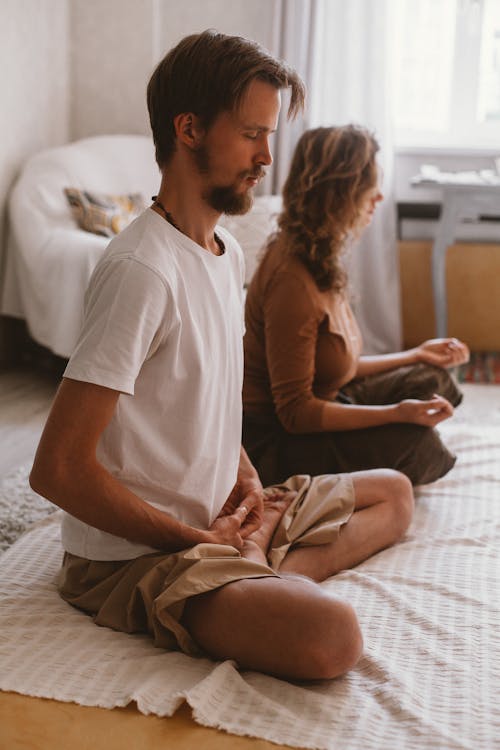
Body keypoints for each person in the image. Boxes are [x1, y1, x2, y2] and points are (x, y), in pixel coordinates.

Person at [30, 33, 414, 683]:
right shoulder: (140, 271)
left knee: (395, 495)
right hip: (143, 557)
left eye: (270, 137)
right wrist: (194, 542)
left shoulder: (226, 253)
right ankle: (256, 577)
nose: (268, 158)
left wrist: (243, 476)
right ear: (189, 130)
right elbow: (57, 470)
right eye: (251, 135)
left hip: (218, 524)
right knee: (333, 636)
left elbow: (203, 396)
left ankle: (257, 569)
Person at [243, 124, 470, 488]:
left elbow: (335, 367)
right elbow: (295, 414)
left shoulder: (318, 253)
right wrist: (395, 414)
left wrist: (416, 355)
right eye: (370, 185)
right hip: (278, 442)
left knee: (433, 379)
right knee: (419, 446)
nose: (379, 197)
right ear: (340, 193)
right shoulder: (292, 281)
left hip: (331, 399)